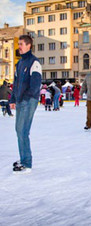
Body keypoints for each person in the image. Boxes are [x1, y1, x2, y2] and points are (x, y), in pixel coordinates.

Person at [9, 35, 42, 173]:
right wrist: (12, 99)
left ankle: (26, 163)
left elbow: (35, 85)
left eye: (21, 44)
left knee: (22, 131)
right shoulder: (20, 63)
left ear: (28, 45)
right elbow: (16, 83)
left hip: (29, 101)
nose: (19, 47)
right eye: (19, 44)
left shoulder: (35, 63)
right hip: (21, 100)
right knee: (19, 130)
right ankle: (24, 158)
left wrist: (25, 98)